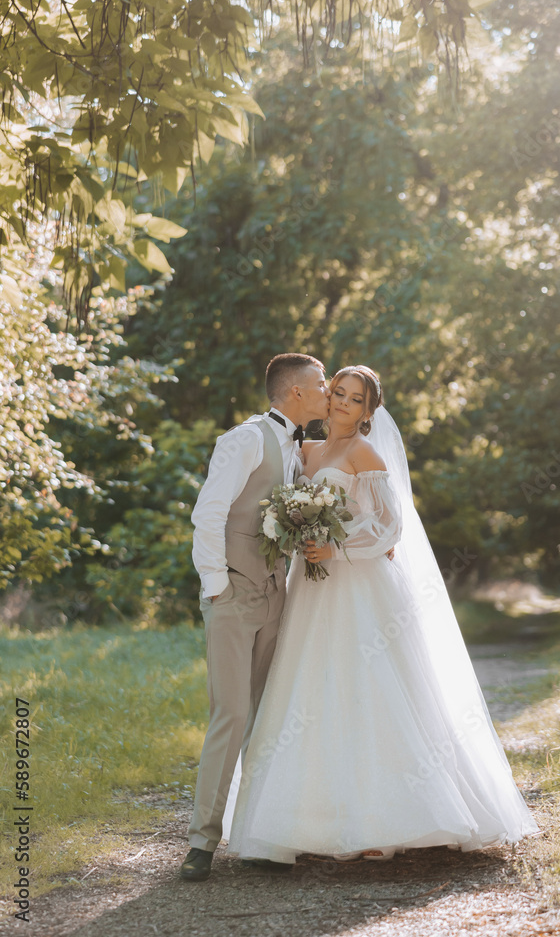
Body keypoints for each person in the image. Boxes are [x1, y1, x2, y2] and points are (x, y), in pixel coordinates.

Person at [227, 365, 538, 863]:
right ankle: (310, 820)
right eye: (340, 394)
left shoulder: (363, 454)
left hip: (357, 585)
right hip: (308, 588)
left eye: (356, 399)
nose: (344, 404)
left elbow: (391, 529)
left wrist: (336, 548)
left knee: (367, 686)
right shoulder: (303, 452)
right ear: (327, 399)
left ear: (370, 411)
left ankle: (387, 818)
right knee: (310, 689)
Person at [180, 353, 330, 881]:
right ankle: (201, 842)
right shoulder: (244, 439)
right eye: (320, 382)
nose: (327, 389)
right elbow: (209, 513)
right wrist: (217, 587)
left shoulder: (302, 447)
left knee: (268, 716)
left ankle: (262, 836)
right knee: (232, 715)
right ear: (294, 393)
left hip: (276, 595)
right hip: (233, 597)